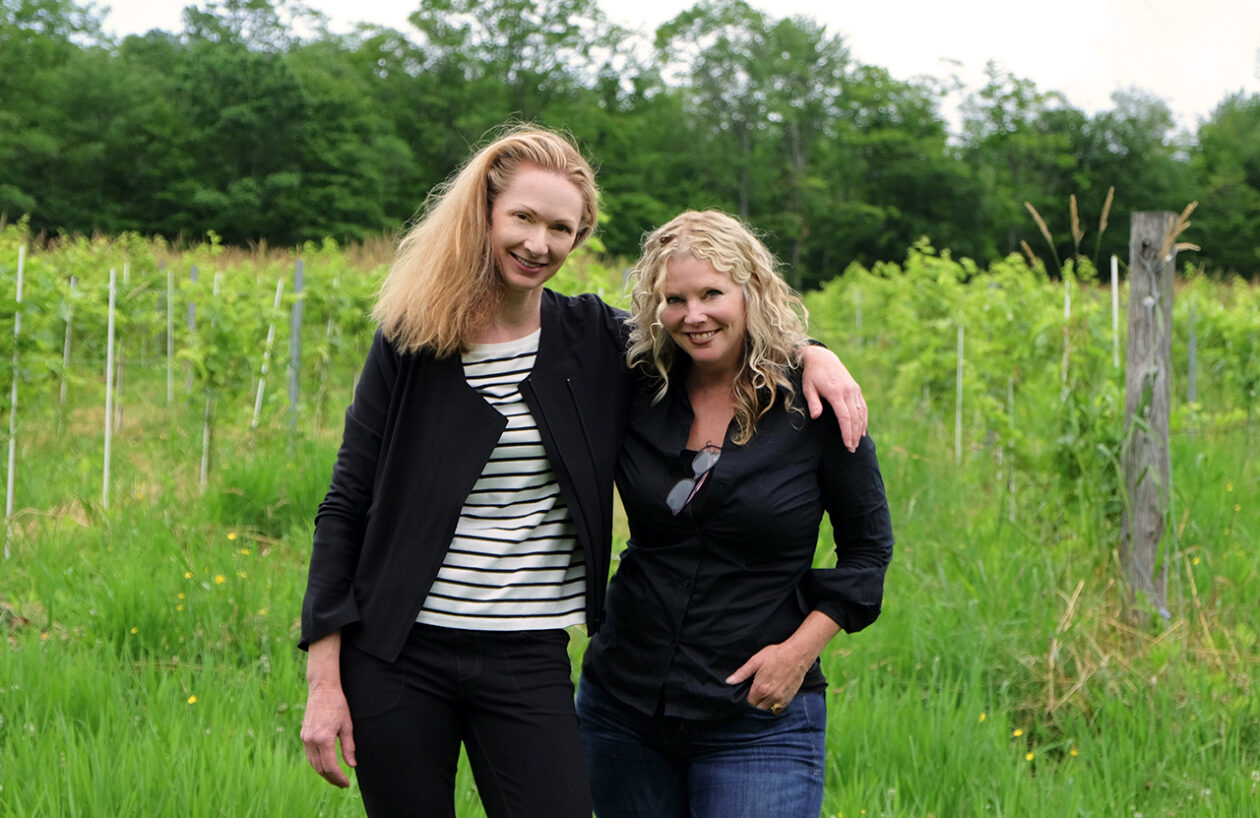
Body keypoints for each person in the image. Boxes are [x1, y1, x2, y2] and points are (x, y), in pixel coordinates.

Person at [297, 128, 867, 818]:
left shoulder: (595, 339)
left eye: (560, 227)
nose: (539, 242)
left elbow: (706, 329)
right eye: (523, 218)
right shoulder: (410, 339)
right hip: (395, 655)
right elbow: (346, 502)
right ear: (484, 214)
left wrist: (811, 352)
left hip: (526, 655)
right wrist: (324, 675)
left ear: (579, 237)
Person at [576, 210, 895, 818]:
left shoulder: (814, 404)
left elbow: (868, 551)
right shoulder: (639, 382)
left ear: (751, 291)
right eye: (675, 299)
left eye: (712, 293)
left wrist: (798, 652)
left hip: (755, 717)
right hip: (621, 707)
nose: (693, 316)